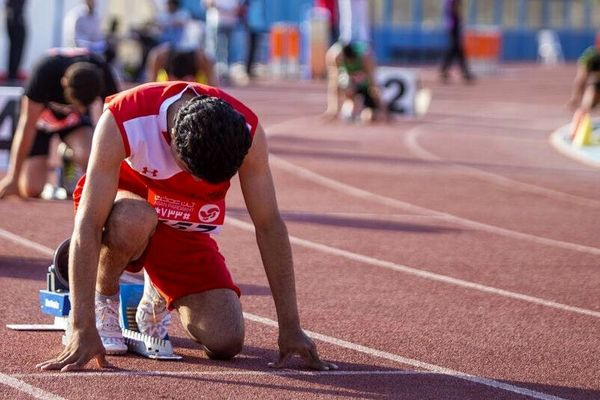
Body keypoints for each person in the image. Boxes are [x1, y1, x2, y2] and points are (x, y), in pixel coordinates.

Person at [36, 81, 337, 372]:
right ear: (173, 145)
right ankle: (105, 296)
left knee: (226, 340)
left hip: (183, 223)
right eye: (194, 173)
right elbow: (88, 223)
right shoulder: (125, 117)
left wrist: (290, 326)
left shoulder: (246, 132)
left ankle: (155, 289)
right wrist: (81, 325)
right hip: (126, 205)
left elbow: (269, 225)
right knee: (136, 219)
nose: (197, 184)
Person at [0, 48, 120, 199]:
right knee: (31, 189)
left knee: (90, 156)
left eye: (85, 105)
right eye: (77, 104)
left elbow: (117, 121)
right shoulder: (44, 72)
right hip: (39, 122)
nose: (82, 109)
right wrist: (13, 177)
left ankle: (69, 157)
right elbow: (27, 126)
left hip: (73, 123)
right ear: (64, 83)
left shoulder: (102, 71)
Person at [325, 41, 380, 122]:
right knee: (344, 86)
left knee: (370, 117)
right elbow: (334, 82)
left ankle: (359, 110)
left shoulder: (366, 57)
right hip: (349, 81)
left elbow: (373, 81)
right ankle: (348, 108)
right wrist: (332, 109)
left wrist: (380, 105)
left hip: (364, 85)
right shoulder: (335, 57)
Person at [146, 43, 217, 86]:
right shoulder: (159, 57)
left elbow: (214, 90)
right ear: (169, 77)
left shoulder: (204, 60)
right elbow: (149, 86)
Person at [439, 0, 474, 83]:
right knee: (455, 48)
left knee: (458, 48)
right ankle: (446, 69)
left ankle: (464, 72)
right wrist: (460, 18)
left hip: (452, 23)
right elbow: (453, 8)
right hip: (453, 24)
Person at [5, 0, 27, 83]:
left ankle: (13, 74)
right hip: (16, 16)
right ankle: (12, 75)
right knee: (17, 46)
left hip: (15, 14)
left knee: (16, 46)